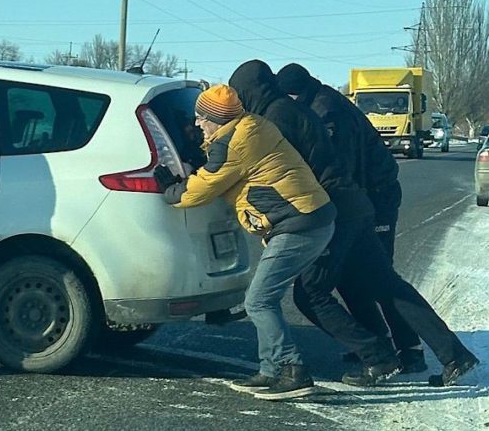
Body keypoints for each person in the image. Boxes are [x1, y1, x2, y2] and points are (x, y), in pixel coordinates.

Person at [231, 61, 478, 387]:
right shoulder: (300, 108)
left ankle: (379, 357)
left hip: (340, 210)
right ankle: (452, 355)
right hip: (356, 205)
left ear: (250, 91)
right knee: (383, 283)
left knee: (311, 294)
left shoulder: (280, 118)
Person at [156, 84, 335, 400]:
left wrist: (171, 189)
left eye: (201, 117)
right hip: (306, 218)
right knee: (265, 298)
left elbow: (204, 186)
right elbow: (218, 162)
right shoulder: (249, 127)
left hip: (299, 225)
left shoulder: (235, 142)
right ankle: (270, 370)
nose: (197, 123)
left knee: (258, 300)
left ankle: (293, 371)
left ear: (216, 118)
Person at [276, 63, 424, 373]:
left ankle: (410, 350)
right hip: (363, 199)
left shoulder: (327, 112)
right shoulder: (319, 100)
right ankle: (376, 343)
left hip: (376, 196)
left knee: (381, 278)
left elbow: (343, 167)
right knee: (351, 275)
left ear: (293, 93)